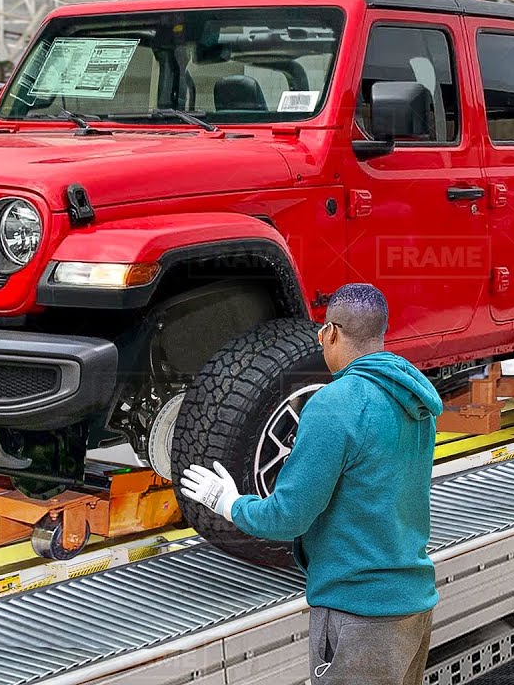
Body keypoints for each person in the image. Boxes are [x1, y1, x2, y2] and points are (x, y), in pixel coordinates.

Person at [180, 283, 443, 685]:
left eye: (322, 331)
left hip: (359, 613)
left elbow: (287, 518)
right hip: (412, 603)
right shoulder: (413, 398)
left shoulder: (335, 402)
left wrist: (228, 502)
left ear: (331, 333)